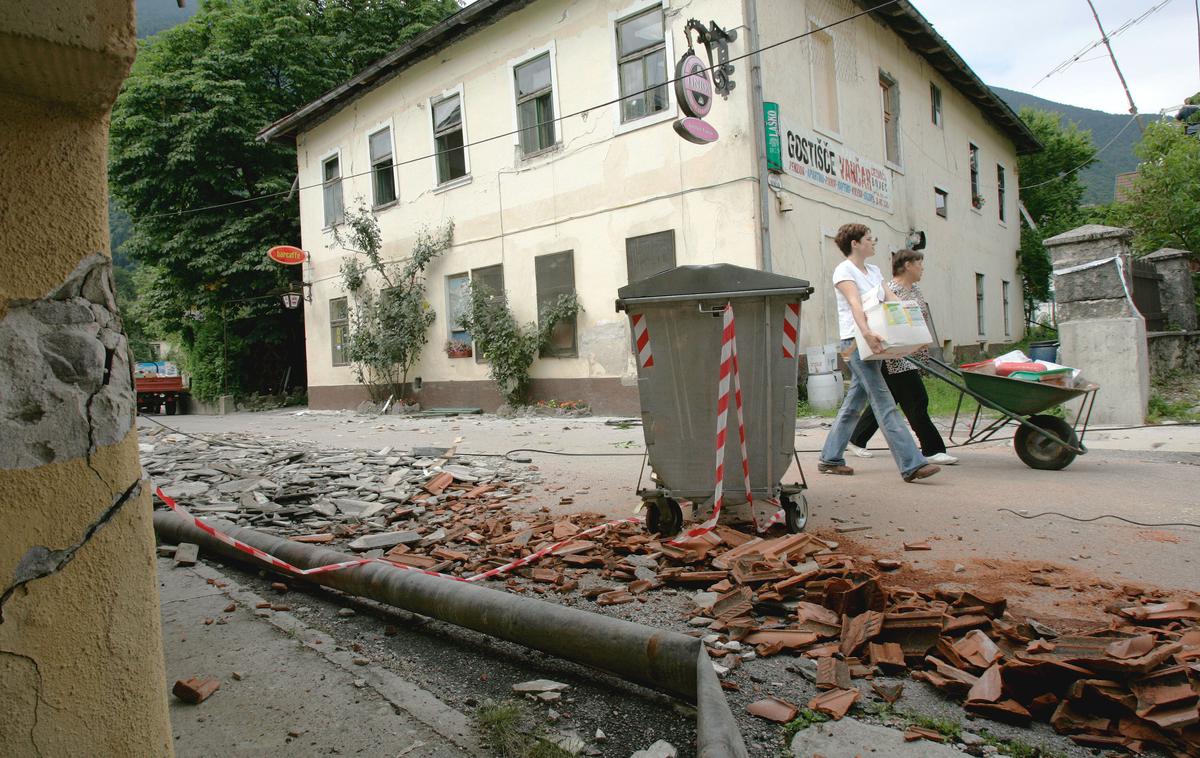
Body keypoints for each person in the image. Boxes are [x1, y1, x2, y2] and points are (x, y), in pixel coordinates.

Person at [817, 224, 940, 482]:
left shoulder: (873, 271)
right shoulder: (844, 270)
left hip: (876, 339)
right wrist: (866, 333)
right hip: (855, 340)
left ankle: (830, 458)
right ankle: (912, 464)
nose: (873, 242)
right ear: (855, 244)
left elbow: (892, 301)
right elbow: (855, 304)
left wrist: (910, 335)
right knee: (883, 399)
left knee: (853, 403)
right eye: (869, 239)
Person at [846, 249, 958, 466]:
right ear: (907, 265)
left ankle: (856, 438)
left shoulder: (915, 290)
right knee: (917, 400)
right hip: (896, 357)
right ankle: (932, 449)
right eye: (919, 263)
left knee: (888, 401)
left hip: (912, 355)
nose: (922, 267)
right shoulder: (890, 290)